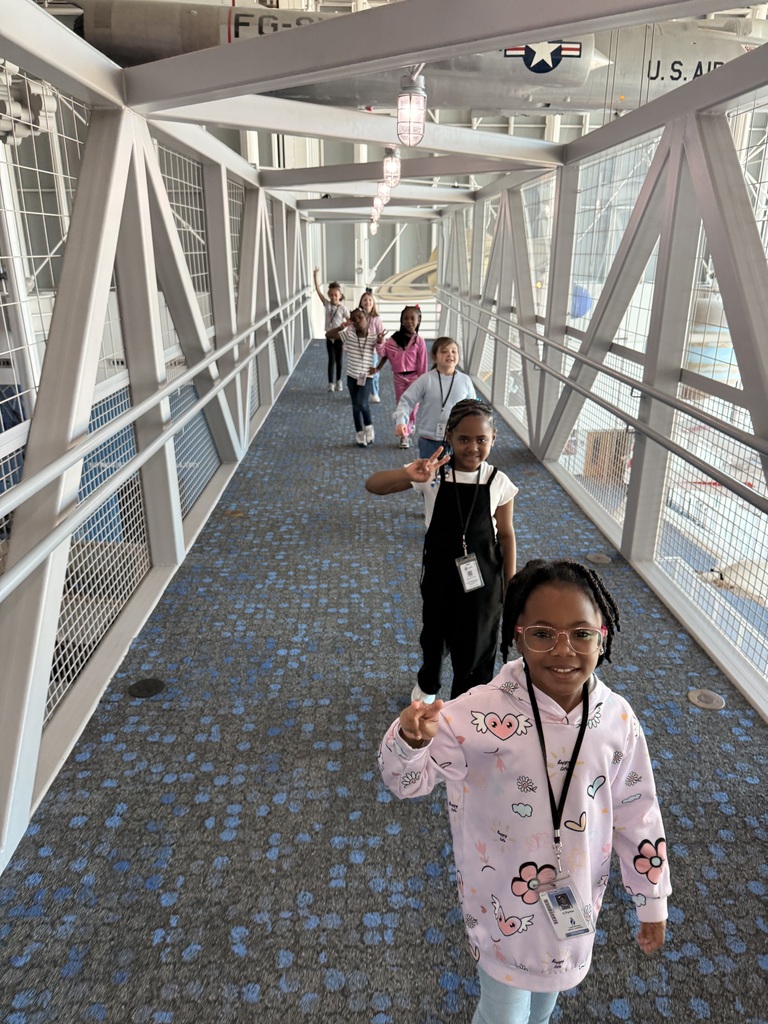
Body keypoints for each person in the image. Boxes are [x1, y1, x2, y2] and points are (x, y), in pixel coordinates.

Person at [378, 558, 670, 1024]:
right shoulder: (475, 714)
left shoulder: (617, 721)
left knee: (544, 1008)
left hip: (573, 909)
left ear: (603, 636)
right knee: (502, 1016)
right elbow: (408, 782)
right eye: (542, 633)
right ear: (517, 636)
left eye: (581, 633)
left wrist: (651, 898)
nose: (563, 650)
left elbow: (639, 814)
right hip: (501, 911)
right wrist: (409, 741)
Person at [366, 399, 517, 700]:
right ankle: (428, 684)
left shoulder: (497, 481)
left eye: (481, 440)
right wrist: (410, 474)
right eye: (463, 439)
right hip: (440, 577)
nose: (472, 447)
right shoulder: (433, 475)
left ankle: (469, 699)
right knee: (434, 634)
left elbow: (507, 535)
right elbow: (374, 485)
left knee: (477, 643)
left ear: (493, 439)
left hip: (484, 581)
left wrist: (510, 584)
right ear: (448, 437)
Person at [395, 337, 476, 458]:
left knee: (455, 475)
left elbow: (473, 409)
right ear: (434, 357)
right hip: (429, 439)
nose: (450, 354)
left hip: (457, 440)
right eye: (444, 351)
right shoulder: (426, 379)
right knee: (428, 474)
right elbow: (406, 401)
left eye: (454, 351)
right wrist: (401, 421)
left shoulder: (465, 381)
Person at [327, 307, 382, 447]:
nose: (358, 321)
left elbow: (384, 352)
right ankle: (359, 433)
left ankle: (369, 426)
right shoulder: (349, 335)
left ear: (367, 319)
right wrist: (341, 327)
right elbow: (329, 335)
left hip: (367, 377)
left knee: (362, 403)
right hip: (352, 377)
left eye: (360, 317)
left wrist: (378, 367)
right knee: (355, 406)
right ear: (351, 322)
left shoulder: (373, 337)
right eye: (354, 319)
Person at [376, 305, 428, 446]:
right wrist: (380, 342)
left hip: (415, 378)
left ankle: (408, 427)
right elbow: (382, 352)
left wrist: (423, 383)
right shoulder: (393, 340)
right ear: (401, 320)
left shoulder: (419, 342)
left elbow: (422, 364)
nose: (409, 321)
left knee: (413, 406)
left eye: (413, 318)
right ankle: (404, 435)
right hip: (398, 377)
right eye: (406, 318)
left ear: (419, 320)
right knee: (401, 404)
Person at [313, 268, 349, 392]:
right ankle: (330, 383)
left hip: (339, 337)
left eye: (336, 295)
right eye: (331, 295)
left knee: (339, 360)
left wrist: (345, 326)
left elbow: (350, 320)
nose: (333, 297)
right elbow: (318, 291)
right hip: (329, 337)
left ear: (340, 296)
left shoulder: (343, 308)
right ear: (329, 295)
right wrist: (315, 276)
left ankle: (339, 381)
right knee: (331, 360)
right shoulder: (327, 304)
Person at [358, 288, 384, 404]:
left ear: (373, 303)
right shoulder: (358, 318)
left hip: (372, 351)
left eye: (370, 300)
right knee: (360, 373)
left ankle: (374, 393)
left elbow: (382, 333)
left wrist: (381, 342)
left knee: (373, 373)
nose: (367, 302)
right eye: (365, 300)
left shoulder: (376, 319)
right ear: (361, 303)